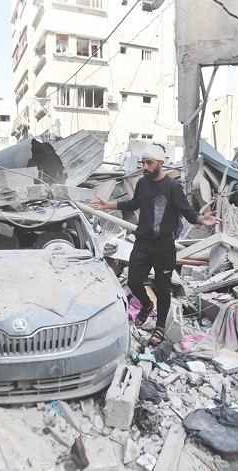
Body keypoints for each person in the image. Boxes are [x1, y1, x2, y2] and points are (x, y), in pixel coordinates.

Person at [91, 144, 218, 346]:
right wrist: (110, 205)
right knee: (133, 281)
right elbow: (134, 204)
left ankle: (159, 326)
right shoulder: (142, 183)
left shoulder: (172, 187)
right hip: (142, 243)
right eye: (143, 163)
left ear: (161, 163)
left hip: (164, 246)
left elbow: (187, 211)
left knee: (163, 287)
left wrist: (201, 219)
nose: (145, 167)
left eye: (149, 163)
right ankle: (147, 305)